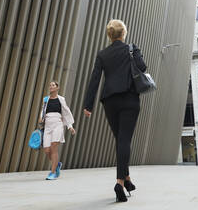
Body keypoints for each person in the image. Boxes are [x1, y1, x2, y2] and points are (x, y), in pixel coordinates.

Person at [83, 19, 147, 202]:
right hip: (129, 99)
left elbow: (95, 79)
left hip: (109, 101)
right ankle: (119, 183)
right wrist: (135, 54)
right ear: (123, 33)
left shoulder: (102, 54)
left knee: (120, 140)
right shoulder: (131, 49)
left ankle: (127, 179)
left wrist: (88, 105)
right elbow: (142, 67)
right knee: (124, 140)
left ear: (109, 35)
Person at [39, 81, 76, 180]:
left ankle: (53, 172)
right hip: (47, 125)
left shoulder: (61, 99)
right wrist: (41, 118)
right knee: (47, 150)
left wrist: (70, 127)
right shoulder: (46, 99)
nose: (51, 86)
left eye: (53, 85)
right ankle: (57, 164)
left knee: (54, 146)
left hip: (57, 124)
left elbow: (66, 113)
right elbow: (43, 110)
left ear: (57, 88)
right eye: (50, 85)